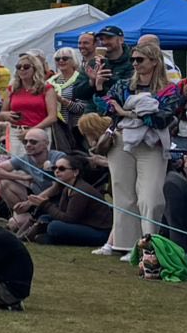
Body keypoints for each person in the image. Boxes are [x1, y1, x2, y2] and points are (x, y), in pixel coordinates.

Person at [97, 44, 177, 260]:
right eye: (133, 59)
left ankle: (150, 245)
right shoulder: (123, 84)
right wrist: (104, 93)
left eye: (140, 59)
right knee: (123, 194)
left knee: (150, 196)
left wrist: (125, 111)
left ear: (154, 61)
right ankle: (125, 245)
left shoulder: (169, 88)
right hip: (121, 142)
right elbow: (105, 106)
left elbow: (162, 117)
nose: (135, 63)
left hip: (152, 145)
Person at [23, 154, 113, 247]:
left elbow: (69, 219)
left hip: (99, 232)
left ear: (75, 172)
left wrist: (45, 204)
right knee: (45, 218)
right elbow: (62, 212)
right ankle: (34, 237)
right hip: (83, 224)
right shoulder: (68, 188)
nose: (57, 171)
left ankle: (49, 238)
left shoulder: (80, 190)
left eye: (62, 169)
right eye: (54, 168)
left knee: (54, 227)